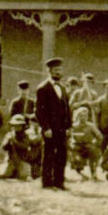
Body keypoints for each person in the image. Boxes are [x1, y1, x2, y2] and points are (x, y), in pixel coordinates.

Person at [36, 57, 72, 189]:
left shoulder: (62, 88)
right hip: (50, 129)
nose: (58, 72)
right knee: (49, 154)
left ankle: (59, 182)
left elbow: (67, 109)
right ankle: (46, 182)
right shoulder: (43, 88)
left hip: (62, 129)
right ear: (49, 71)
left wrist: (69, 126)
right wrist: (46, 128)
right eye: (56, 70)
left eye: (60, 70)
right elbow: (39, 111)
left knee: (62, 155)